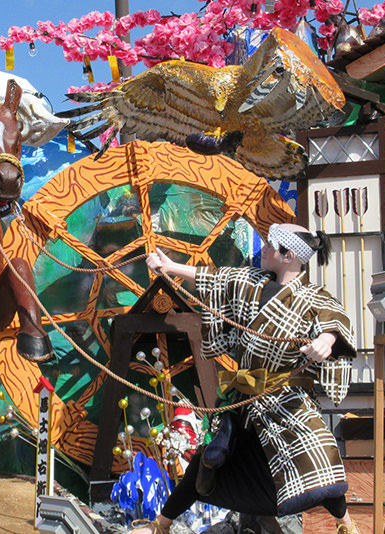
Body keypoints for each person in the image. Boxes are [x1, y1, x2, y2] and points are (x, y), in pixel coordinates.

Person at [135, 223, 359, 534]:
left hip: (287, 402)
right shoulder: (252, 282)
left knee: (320, 462)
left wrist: (326, 340)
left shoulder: (314, 297)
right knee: (205, 463)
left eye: (270, 246)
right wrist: (170, 267)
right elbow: (215, 278)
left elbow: (334, 320)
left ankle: (347, 526)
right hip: (245, 400)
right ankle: (160, 526)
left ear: (289, 256)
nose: (263, 249)